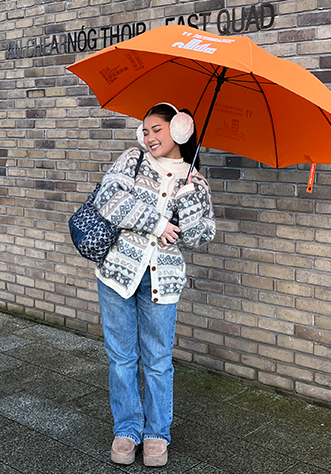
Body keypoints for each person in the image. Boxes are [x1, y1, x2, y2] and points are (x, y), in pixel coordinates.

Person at [92, 102, 216, 467]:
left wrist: (190, 199)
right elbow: (108, 199)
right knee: (122, 358)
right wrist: (157, 224)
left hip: (163, 279)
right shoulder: (133, 160)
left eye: (156, 129)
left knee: (159, 360)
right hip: (118, 274)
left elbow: (199, 236)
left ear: (180, 129)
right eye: (145, 131)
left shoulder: (196, 180)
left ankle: (157, 433)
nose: (149, 137)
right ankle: (127, 430)